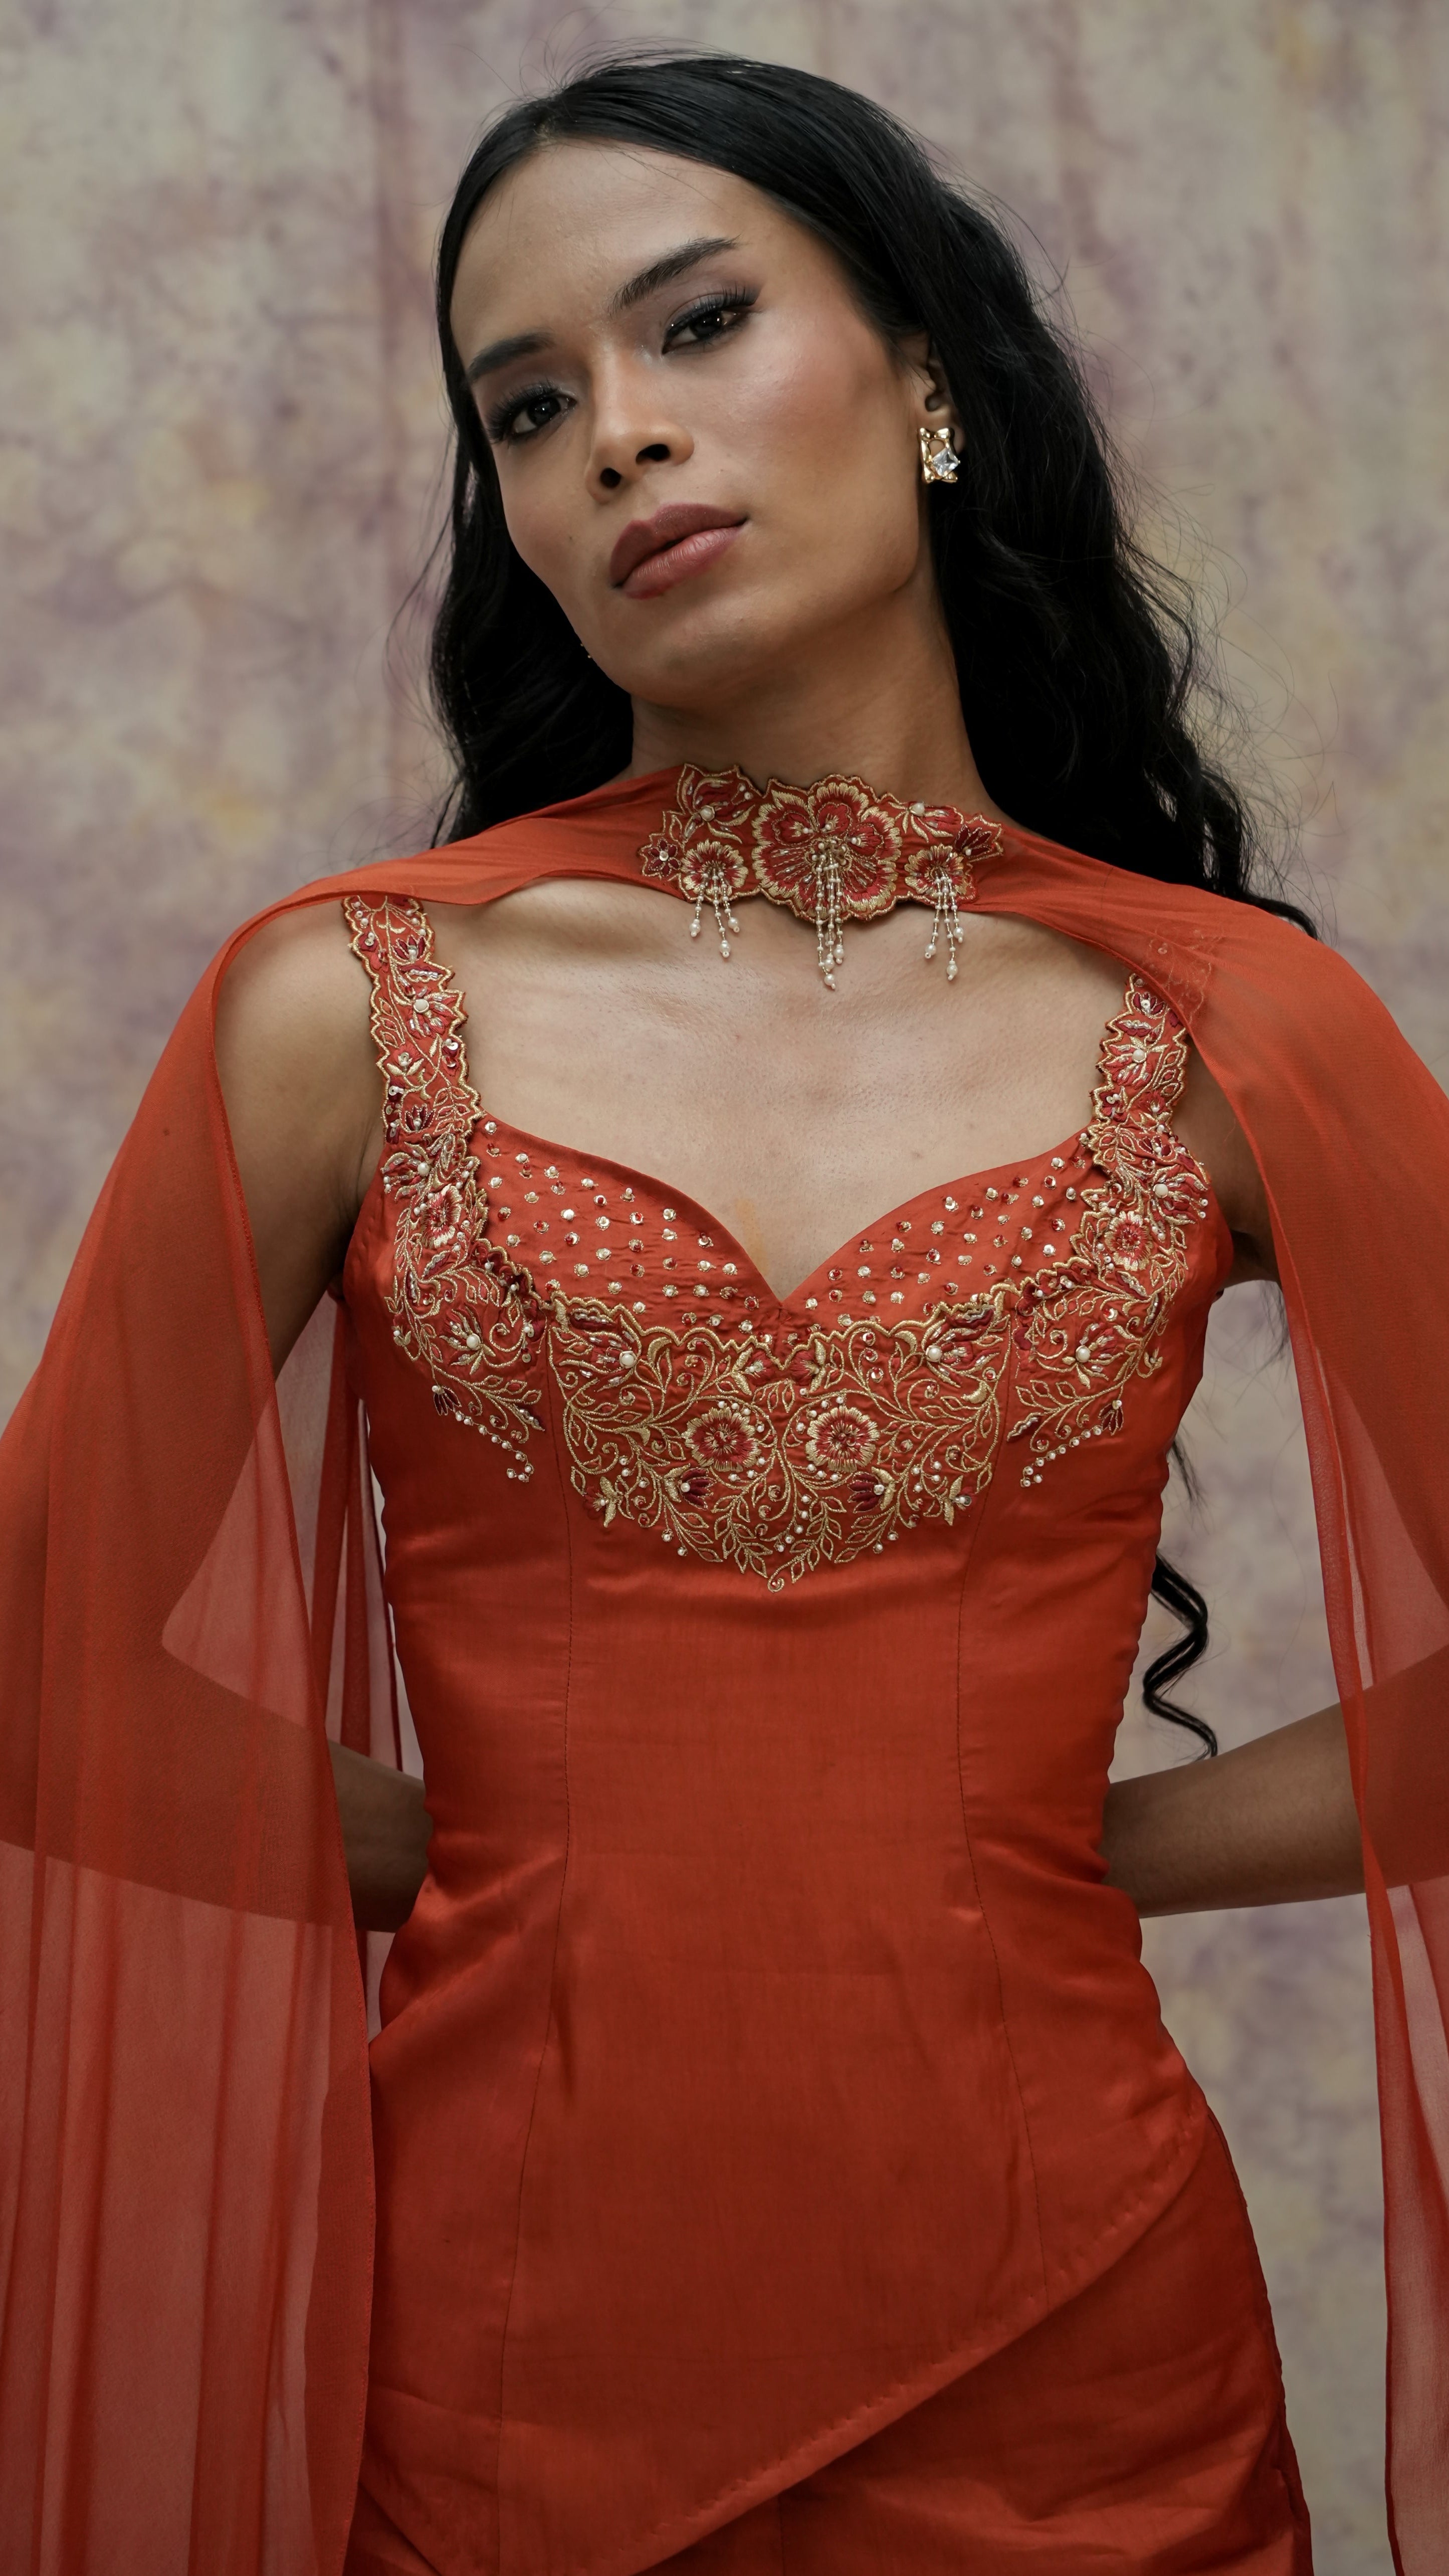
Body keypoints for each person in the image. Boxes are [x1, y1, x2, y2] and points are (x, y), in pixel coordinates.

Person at [4, 51, 1447, 2576]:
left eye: (698, 330)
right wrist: (528, 1862)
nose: (622, 443)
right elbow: (33, 1661)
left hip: (1087, 2362)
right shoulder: (344, 999)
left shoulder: (1233, 1026)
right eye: (533, 406)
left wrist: (1056, 1851)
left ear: (930, 387)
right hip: (495, 2360)